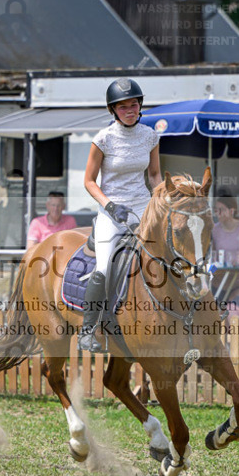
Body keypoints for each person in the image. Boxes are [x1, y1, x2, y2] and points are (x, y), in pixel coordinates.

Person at [78, 77, 161, 352]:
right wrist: (110, 205)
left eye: (134, 105)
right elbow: (89, 181)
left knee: (170, 254)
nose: (130, 110)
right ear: (113, 110)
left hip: (143, 208)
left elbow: (154, 175)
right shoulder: (103, 139)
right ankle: (88, 331)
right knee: (103, 267)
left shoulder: (150, 135)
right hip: (112, 211)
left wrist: (163, 201)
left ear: (140, 106)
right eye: (123, 106)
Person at [210, 191, 239, 305]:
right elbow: (213, 258)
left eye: (221, 210)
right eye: (216, 210)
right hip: (218, 282)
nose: (218, 213)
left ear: (232, 211)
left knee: (231, 308)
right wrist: (209, 272)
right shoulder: (214, 230)